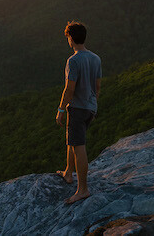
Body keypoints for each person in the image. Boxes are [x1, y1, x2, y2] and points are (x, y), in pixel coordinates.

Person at [55, 21, 101, 204]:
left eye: (67, 37)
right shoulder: (96, 58)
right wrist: (93, 105)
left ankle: (83, 189)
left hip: (78, 108)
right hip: (90, 107)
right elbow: (97, 86)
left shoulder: (73, 60)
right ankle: (68, 172)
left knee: (78, 146)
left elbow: (69, 89)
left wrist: (60, 109)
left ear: (71, 39)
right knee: (72, 140)